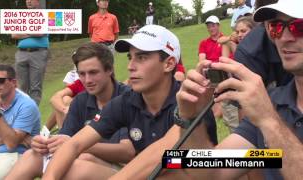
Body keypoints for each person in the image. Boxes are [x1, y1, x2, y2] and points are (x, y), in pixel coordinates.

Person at [115, 0, 303, 179]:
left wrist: (269, 120)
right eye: (276, 27)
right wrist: (191, 120)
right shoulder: (273, 101)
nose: (285, 38)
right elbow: (210, 173)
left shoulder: (266, 110)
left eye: (298, 26)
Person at [42, 25, 218, 180]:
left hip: (185, 175)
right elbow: (74, 143)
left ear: (169, 63)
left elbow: (172, 159)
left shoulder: (190, 101)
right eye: (130, 58)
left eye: (141, 58)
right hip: (144, 174)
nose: (130, 66)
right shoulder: (126, 101)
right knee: (72, 165)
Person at [5, 43, 135, 180]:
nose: (87, 80)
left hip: (127, 169)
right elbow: (64, 140)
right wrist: (46, 144)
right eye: (82, 74)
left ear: (109, 70)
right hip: (86, 160)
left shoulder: (127, 99)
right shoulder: (81, 100)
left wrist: (76, 145)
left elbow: (127, 152)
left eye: (93, 72)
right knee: (32, 156)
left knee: (82, 160)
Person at [0, 64, 40, 179]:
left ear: (14, 83)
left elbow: (11, 144)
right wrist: (12, 136)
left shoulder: (27, 105)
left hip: (13, 156)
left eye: (1, 80)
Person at [11, 0, 50, 105]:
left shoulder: (45, 15)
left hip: (38, 53)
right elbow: (14, 35)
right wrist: (31, 32)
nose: (28, 1)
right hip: (21, 53)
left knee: (35, 87)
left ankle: (32, 116)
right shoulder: (20, 16)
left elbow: (41, 33)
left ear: (38, 2)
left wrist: (24, 32)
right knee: (20, 87)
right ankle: (21, 114)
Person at [198, 15, 225, 118]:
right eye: (209, 26)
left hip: (222, 70)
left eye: (213, 26)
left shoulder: (225, 40)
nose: (211, 28)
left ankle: (216, 109)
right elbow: (202, 61)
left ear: (218, 25)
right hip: (210, 71)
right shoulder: (204, 43)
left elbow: (227, 60)